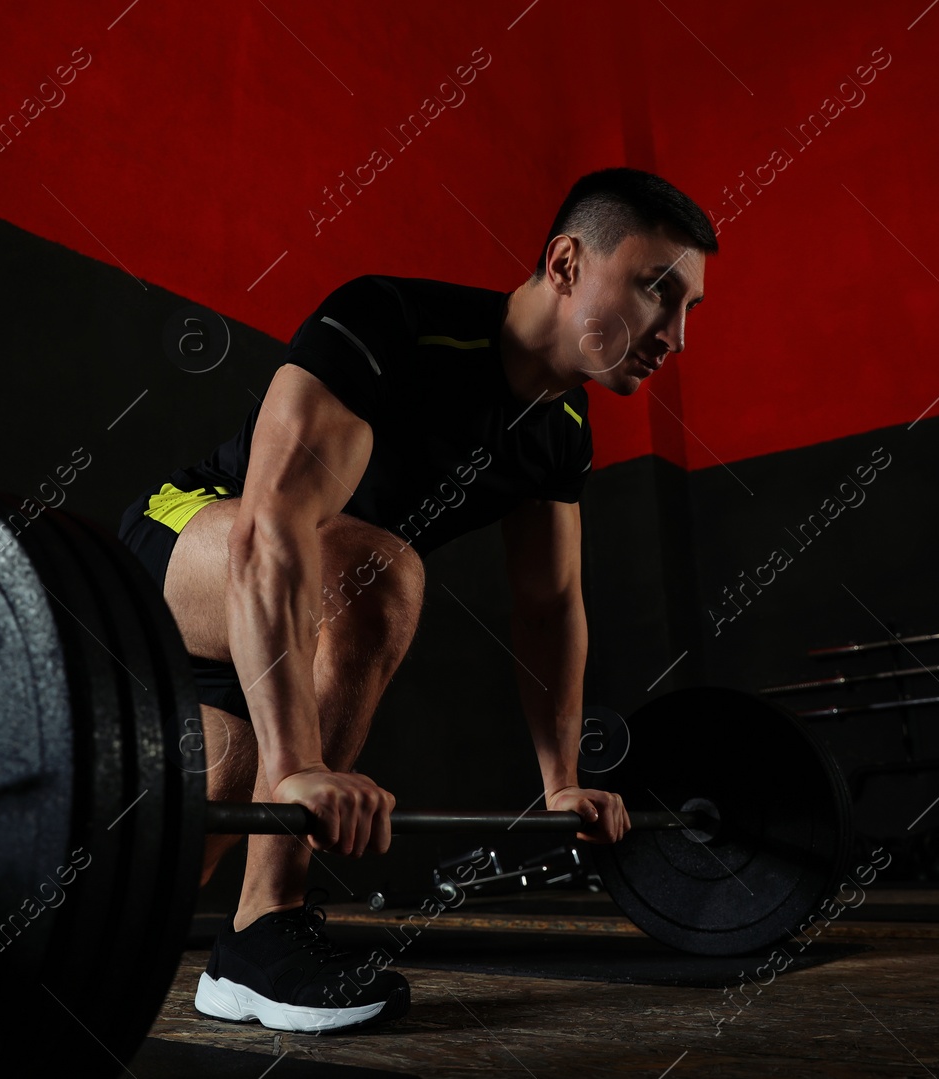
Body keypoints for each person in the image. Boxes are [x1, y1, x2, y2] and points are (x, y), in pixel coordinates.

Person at [118, 166, 715, 1033]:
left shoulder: (560, 431)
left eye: (691, 306)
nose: (677, 333)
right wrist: (297, 767)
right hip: (193, 543)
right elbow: (269, 531)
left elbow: (549, 609)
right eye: (657, 289)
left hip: (294, 617)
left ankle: (120, 954)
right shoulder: (386, 325)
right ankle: (266, 927)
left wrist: (559, 785)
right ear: (565, 264)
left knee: (135, 898)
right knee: (379, 572)